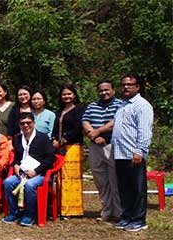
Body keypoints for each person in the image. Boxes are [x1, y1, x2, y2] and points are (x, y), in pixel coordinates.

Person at [111, 74, 153, 232]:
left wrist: (139, 150)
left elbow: (144, 130)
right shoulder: (122, 105)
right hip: (120, 153)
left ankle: (139, 219)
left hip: (134, 154)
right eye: (123, 85)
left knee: (137, 188)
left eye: (130, 84)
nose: (126, 87)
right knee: (124, 188)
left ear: (137, 87)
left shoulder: (142, 105)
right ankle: (127, 216)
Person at [81, 79, 125, 223]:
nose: (104, 92)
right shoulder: (93, 105)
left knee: (115, 180)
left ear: (113, 90)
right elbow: (85, 120)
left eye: (106, 90)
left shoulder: (120, 105)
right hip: (95, 146)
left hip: (113, 145)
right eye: (101, 90)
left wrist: (98, 131)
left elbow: (116, 122)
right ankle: (106, 210)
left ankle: (119, 212)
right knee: (101, 181)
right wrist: (92, 135)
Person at [3, 112, 57, 227]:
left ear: (34, 123)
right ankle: (14, 212)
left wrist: (36, 171)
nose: (26, 125)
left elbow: (50, 158)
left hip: (40, 174)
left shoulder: (43, 138)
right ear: (19, 125)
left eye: (29, 123)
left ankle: (29, 215)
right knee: (8, 182)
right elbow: (17, 157)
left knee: (30, 185)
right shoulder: (17, 138)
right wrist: (16, 165)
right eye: (23, 123)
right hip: (22, 173)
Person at [51, 83, 87, 217]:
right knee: (60, 177)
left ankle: (73, 210)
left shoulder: (79, 109)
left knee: (72, 178)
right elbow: (55, 129)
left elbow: (78, 127)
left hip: (73, 147)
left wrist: (64, 139)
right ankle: (61, 207)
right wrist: (54, 139)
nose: (66, 96)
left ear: (74, 95)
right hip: (59, 148)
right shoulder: (59, 112)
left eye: (69, 94)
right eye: (64, 94)